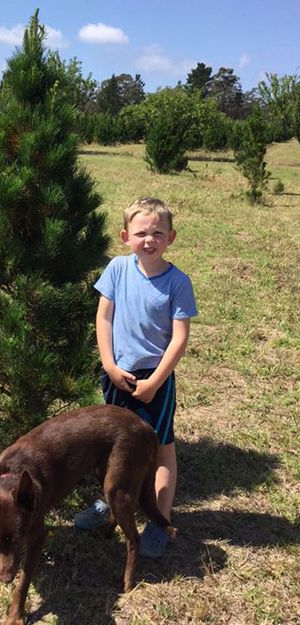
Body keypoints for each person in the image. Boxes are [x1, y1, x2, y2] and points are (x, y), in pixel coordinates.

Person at [75, 197, 197, 558]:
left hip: (156, 378)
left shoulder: (178, 282)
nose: (149, 239)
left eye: (158, 233)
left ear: (171, 237)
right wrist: (110, 366)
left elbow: (179, 337)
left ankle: (159, 518)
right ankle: (109, 506)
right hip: (118, 375)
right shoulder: (116, 269)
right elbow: (104, 319)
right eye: (141, 233)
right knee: (113, 448)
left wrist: (156, 381)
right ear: (125, 236)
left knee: (161, 448)